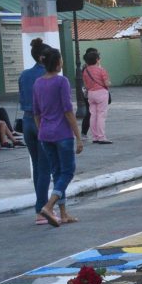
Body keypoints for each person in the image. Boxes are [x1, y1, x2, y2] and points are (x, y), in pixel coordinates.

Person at [32, 49, 85, 225]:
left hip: (45, 134)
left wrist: (42, 131)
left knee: (57, 172)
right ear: (57, 63)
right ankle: (48, 206)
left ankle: (63, 213)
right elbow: (68, 110)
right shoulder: (62, 82)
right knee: (68, 172)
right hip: (62, 133)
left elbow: (36, 113)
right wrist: (78, 136)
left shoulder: (38, 83)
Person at [18, 38, 51, 224]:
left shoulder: (24, 75)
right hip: (42, 122)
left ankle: (41, 208)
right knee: (45, 167)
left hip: (27, 121)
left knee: (38, 166)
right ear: (43, 57)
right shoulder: (47, 76)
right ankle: (42, 209)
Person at [80, 48, 111, 144]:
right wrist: (109, 83)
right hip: (101, 93)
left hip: (91, 94)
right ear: (97, 59)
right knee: (101, 115)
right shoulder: (101, 70)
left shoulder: (85, 71)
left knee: (93, 115)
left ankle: (95, 137)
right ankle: (101, 137)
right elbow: (106, 83)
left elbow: (85, 85)